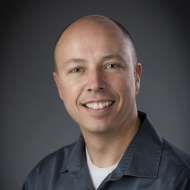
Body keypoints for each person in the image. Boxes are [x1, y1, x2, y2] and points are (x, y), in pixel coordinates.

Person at [23, 15, 190, 190]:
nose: (95, 84)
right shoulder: (41, 180)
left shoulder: (181, 180)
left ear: (137, 77)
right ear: (59, 87)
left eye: (111, 66)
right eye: (77, 69)